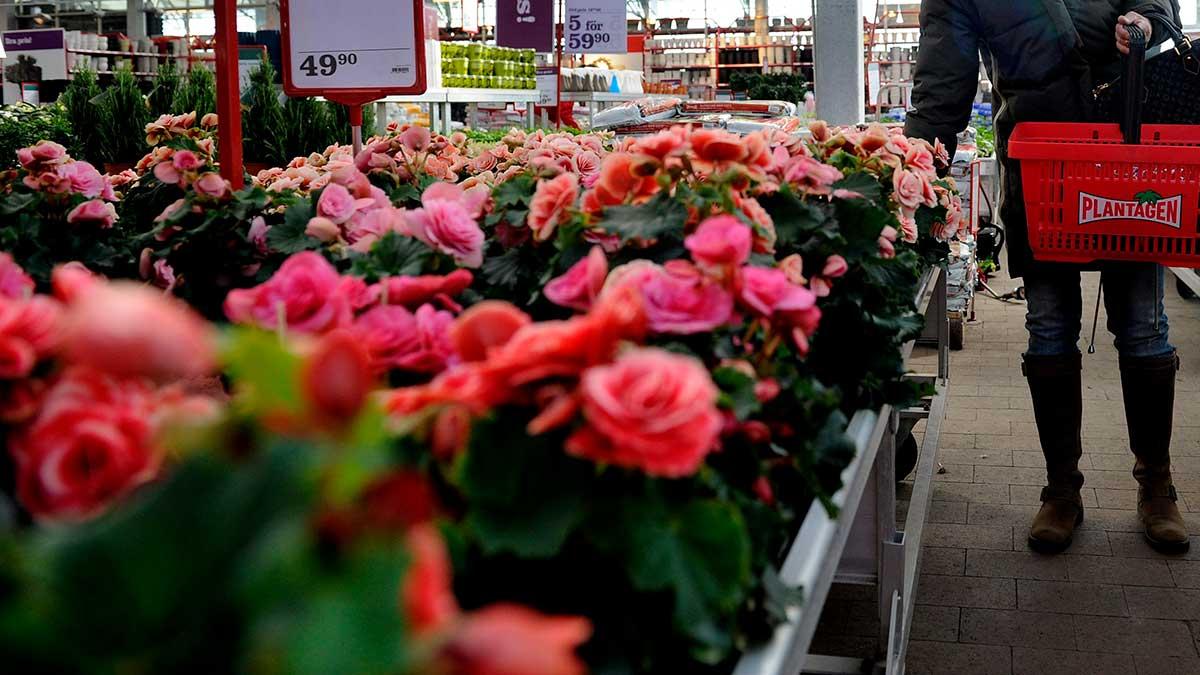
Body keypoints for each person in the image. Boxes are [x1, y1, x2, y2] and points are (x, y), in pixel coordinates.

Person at [904, 1, 1189, 554]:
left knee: (1144, 327)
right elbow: (943, 84)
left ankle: (1157, 485)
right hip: (1043, 168)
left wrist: (1146, 17)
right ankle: (1062, 490)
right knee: (1050, 326)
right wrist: (909, 170)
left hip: (1126, 161)